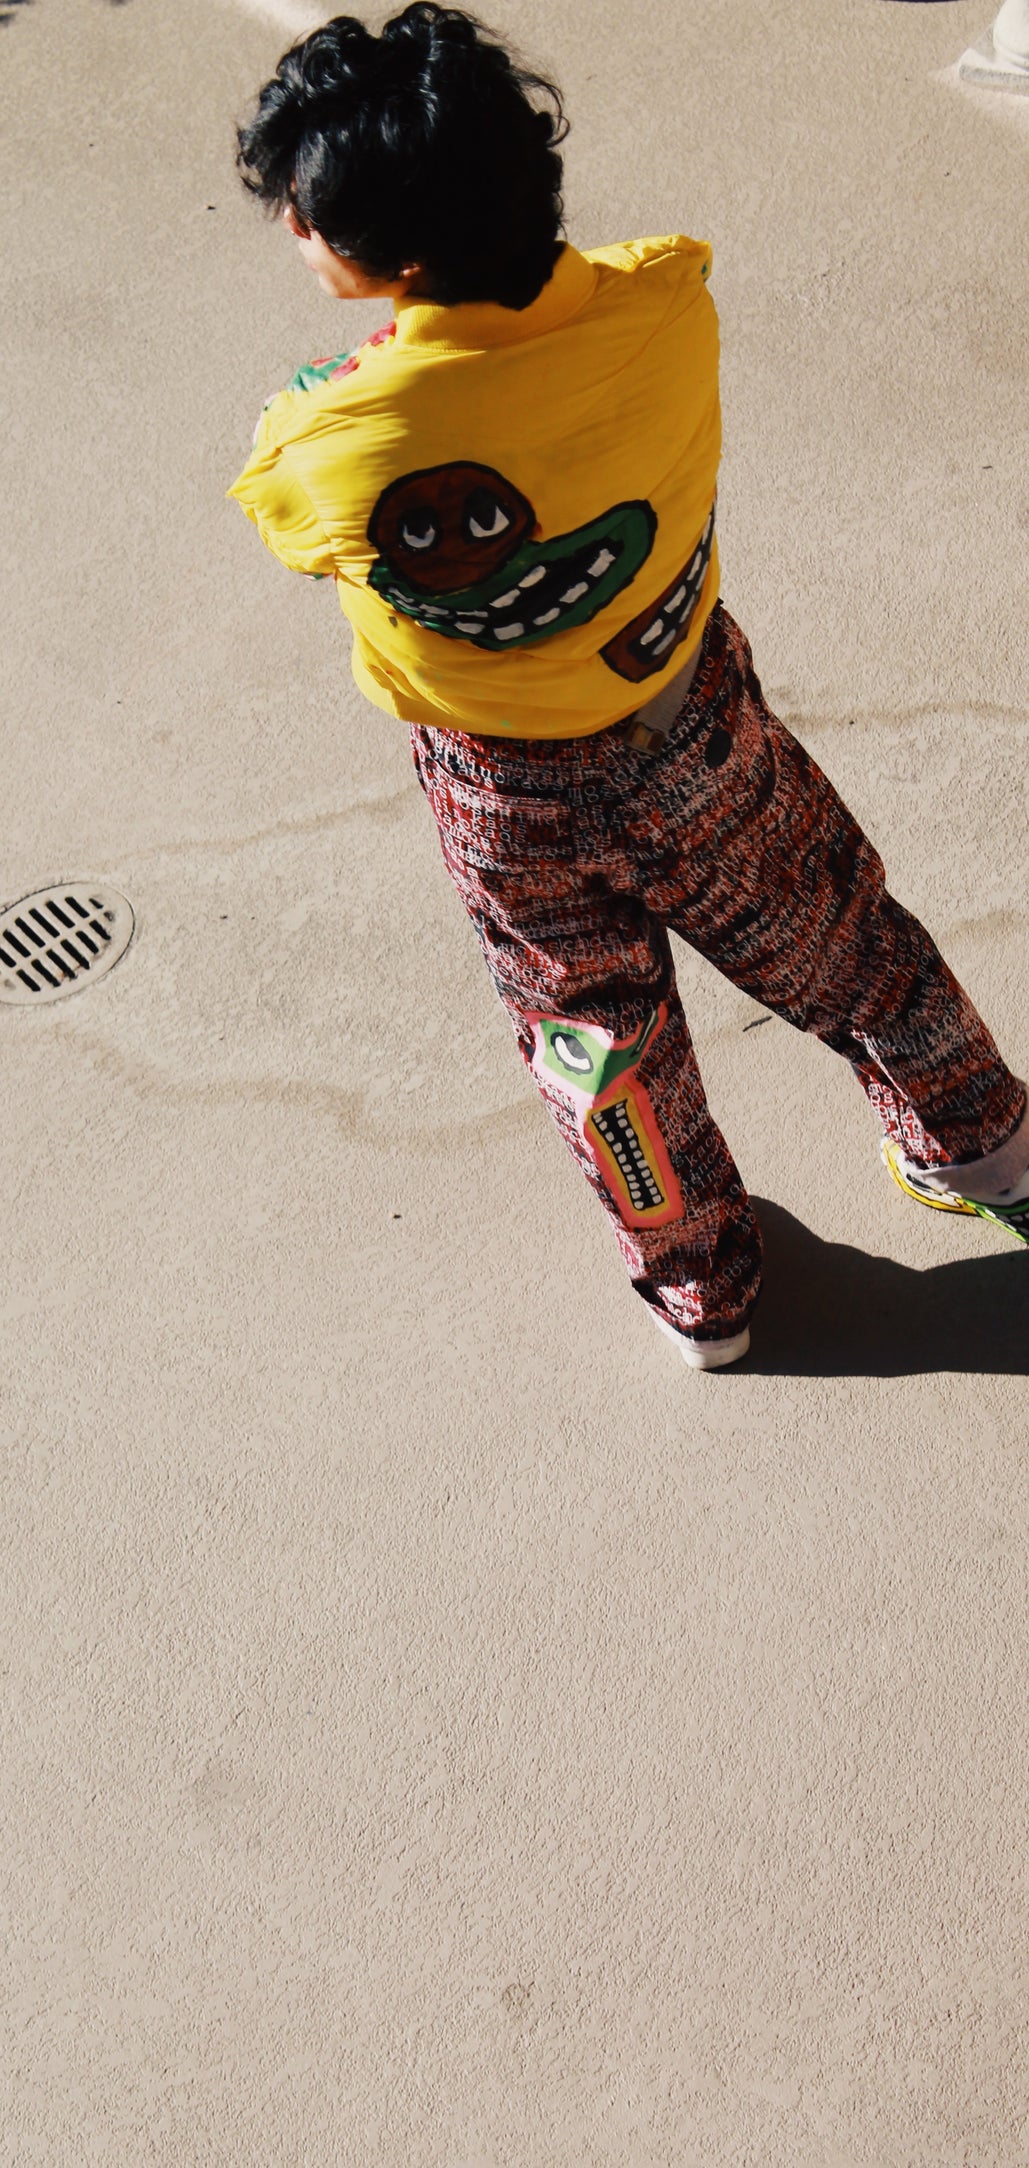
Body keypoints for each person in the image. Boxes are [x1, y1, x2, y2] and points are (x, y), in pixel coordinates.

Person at [228, 3, 1027, 1368]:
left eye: (303, 216)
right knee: (841, 933)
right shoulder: (664, 295)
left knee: (592, 1043)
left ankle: (697, 1283)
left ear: (393, 252)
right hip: (691, 723)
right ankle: (983, 1145)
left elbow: (285, 522)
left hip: (501, 791)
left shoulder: (336, 432)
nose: (290, 233)